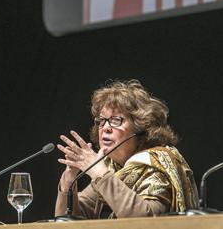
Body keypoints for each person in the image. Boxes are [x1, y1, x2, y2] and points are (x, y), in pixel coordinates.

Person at [55, 80, 199, 219]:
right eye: (101, 121)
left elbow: (146, 220)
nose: (105, 128)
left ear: (141, 129)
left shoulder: (156, 165)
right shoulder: (113, 166)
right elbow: (70, 221)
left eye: (116, 120)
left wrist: (101, 175)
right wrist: (68, 185)